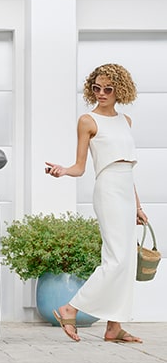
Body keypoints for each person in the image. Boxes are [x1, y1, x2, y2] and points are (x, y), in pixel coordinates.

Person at [45, 63, 148, 343]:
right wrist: (63, 170)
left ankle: (115, 326)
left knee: (126, 260)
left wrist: (137, 206)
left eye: (108, 89)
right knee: (115, 260)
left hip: (126, 189)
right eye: (96, 88)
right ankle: (70, 308)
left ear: (120, 90)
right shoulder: (88, 121)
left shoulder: (125, 121)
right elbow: (80, 166)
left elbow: (128, 167)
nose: (101, 93)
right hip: (109, 189)